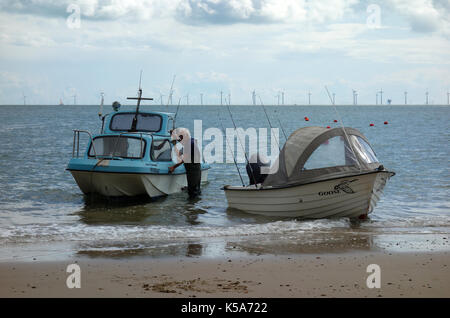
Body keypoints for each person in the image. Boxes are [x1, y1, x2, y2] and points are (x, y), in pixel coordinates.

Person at [169, 128, 202, 199]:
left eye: (180, 137)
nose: (180, 139)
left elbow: (184, 159)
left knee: (193, 192)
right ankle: (195, 207)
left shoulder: (189, 144)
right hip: (195, 168)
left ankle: (192, 207)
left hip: (193, 170)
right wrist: (174, 134)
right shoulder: (191, 140)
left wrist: (173, 167)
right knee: (196, 189)